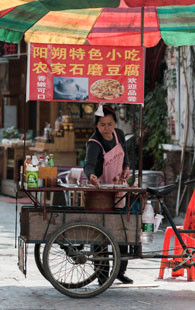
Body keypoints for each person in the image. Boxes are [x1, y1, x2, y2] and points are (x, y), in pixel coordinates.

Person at [83, 104, 132, 285]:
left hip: (119, 189)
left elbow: (125, 156)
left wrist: (126, 168)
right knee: (100, 234)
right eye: (102, 124)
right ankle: (102, 274)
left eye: (109, 124)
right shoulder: (94, 142)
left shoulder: (119, 135)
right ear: (96, 125)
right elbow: (88, 165)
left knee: (122, 230)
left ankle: (120, 271)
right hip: (100, 193)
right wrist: (91, 176)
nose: (106, 128)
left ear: (115, 123)